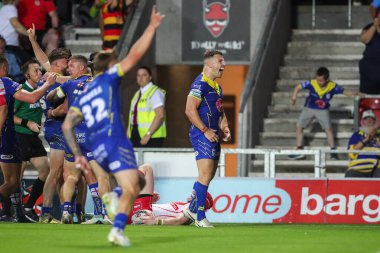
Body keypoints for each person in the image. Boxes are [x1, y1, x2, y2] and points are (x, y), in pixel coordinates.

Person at [61, 6, 164, 246]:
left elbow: (67, 125)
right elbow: (135, 55)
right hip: (115, 140)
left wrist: (77, 155)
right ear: (109, 67)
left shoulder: (84, 94)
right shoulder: (109, 77)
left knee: (137, 182)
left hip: (95, 148)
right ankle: (116, 226)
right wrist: (151, 27)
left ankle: (113, 203)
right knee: (132, 187)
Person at [47, 55, 108, 225]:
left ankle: (67, 211)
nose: (69, 69)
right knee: (99, 176)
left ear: (82, 68)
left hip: (72, 136)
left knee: (71, 176)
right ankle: (99, 214)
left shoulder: (68, 84)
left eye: (72, 66)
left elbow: (51, 97)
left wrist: (54, 94)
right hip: (91, 134)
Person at [0, 54, 56, 222]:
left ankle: (20, 213)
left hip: (16, 137)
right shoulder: (5, 82)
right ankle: (9, 211)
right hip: (10, 135)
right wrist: (48, 83)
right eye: (6, 67)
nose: (8, 70)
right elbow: (5, 109)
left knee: (16, 181)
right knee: (11, 182)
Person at [183, 50, 231, 228]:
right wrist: (204, 130)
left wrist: (224, 126)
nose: (223, 65)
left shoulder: (216, 86)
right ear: (209, 64)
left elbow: (220, 110)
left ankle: (192, 209)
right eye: (220, 61)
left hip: (213, 133)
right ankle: (199, 216)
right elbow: (189, 109)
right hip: (202, 134)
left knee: (208, 175)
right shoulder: (200, 84)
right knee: (204, 174)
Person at [288, 67, 361, 160]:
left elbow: (344, 91)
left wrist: (355, 94)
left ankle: (333, 152)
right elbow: (298, 87)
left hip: (322, 110)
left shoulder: (333, 86)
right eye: (317, 79)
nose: (319, 82)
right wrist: (294, 96)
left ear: (327, 79)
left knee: (328, 129)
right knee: (299, 127)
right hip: (309, 108)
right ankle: (299, 150)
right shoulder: (312, 83)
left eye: (321, 81)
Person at [13, 59, 50, 222]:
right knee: (15, 179)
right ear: (27, 75)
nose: (40, 73)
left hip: (33, 138)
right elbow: (8, 115)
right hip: (19, 136)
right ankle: (12, 211)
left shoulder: (40, 90)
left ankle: (28, 207)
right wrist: (26, 122)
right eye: (36, 71)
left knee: (46, 170)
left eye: (40, 70)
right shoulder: (21, 92)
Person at [127, 66, 166, 147]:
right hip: (136, 134)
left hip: (152, 136)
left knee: (148, 160)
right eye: (138, 75)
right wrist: (128, 133)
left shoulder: (155, 92)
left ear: (150, 77)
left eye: (144, 75)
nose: (141, 78)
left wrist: (148, 134)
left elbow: (160, 115)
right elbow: (133, 116)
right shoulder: (137, 94)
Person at [346, 109, 380, 177]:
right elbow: (351, 153)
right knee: (351, 175)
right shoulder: (356, 135)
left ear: (375, 121)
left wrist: (376, 137)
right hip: (357, 168)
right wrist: (365, 140)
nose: (369, 121)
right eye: (366, 119)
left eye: (371, 118)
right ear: (362, 122)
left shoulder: (379, 135)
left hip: (375, 168)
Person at [359, 4, 380, 95]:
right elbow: (364, 39)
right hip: (369, 70)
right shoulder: (369, 27)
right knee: (366, 97)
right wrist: (374, 26)